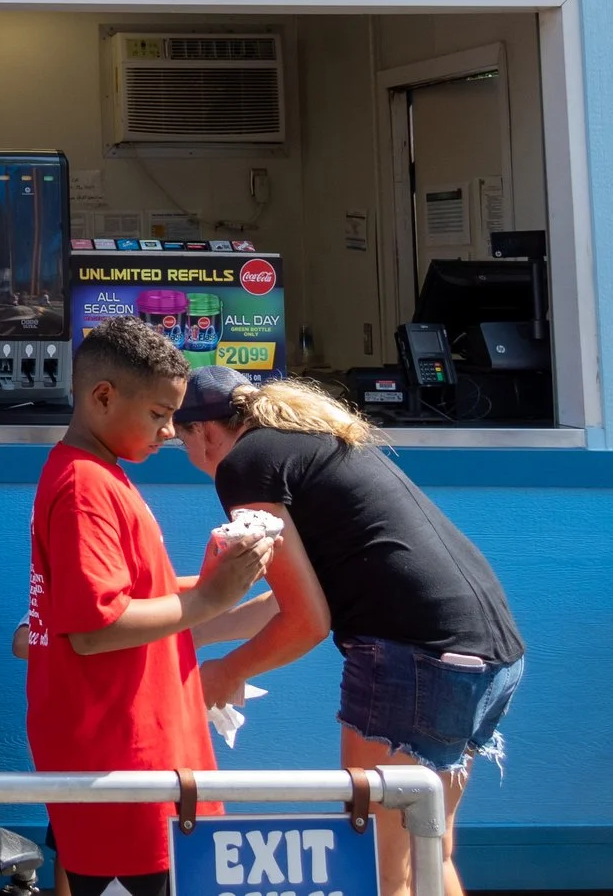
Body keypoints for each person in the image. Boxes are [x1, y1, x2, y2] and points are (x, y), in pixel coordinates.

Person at [174, 366, 525, 896]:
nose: (191, 458)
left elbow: (307, 623)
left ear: (204, 432)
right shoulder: (306, 443)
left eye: (181, 442)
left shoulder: (243, 465)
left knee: (381, 865)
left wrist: (228, 672)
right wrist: (194, 636)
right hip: (489, 653)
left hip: (417, 658)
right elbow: (294, 598)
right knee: (429, 848)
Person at [19, 318, 271, 896]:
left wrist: (233, 582)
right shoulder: (86, 487)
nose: (169, 433)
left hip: (141, 768)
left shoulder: (98, 476)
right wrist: (211, 596)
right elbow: (95, 626)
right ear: (102, 396)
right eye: (159, 415)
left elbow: (137, 594)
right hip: (126, 774)